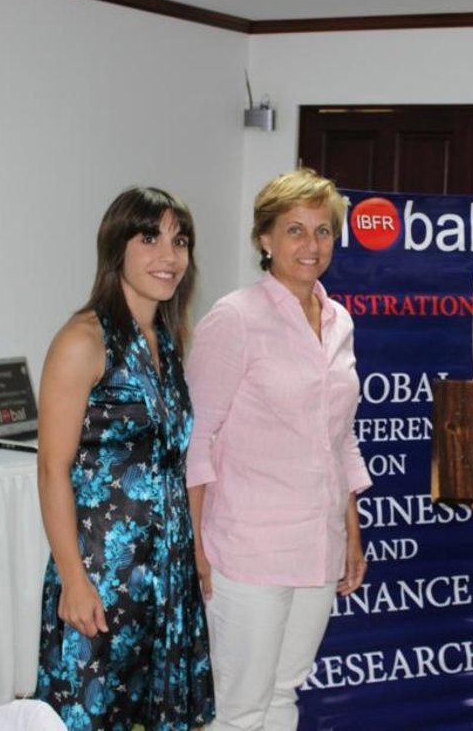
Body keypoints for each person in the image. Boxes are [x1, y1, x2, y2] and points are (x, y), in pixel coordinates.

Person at [185, 168, 372, 731]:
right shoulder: (235, 318)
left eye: (322, 230)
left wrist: (351, 532)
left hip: (318, 544)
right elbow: (197, 439)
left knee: (285, 692)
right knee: (240, 707)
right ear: (264, 239)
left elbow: (339, 437)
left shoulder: (339, 321)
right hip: (247, 549)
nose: (311, 244)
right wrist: (194, 546)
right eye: (295, 230)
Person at [34, 187, 214, 731]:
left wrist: (193, 554)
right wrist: (73, 579)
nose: (169, 256)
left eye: (179, 241)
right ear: (117, 248)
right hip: (102, 572)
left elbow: (172, 461)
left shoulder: (167, 340)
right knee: (88, 715)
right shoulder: (83, 341)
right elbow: (52, 469)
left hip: (166, 570)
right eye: (150, 238)